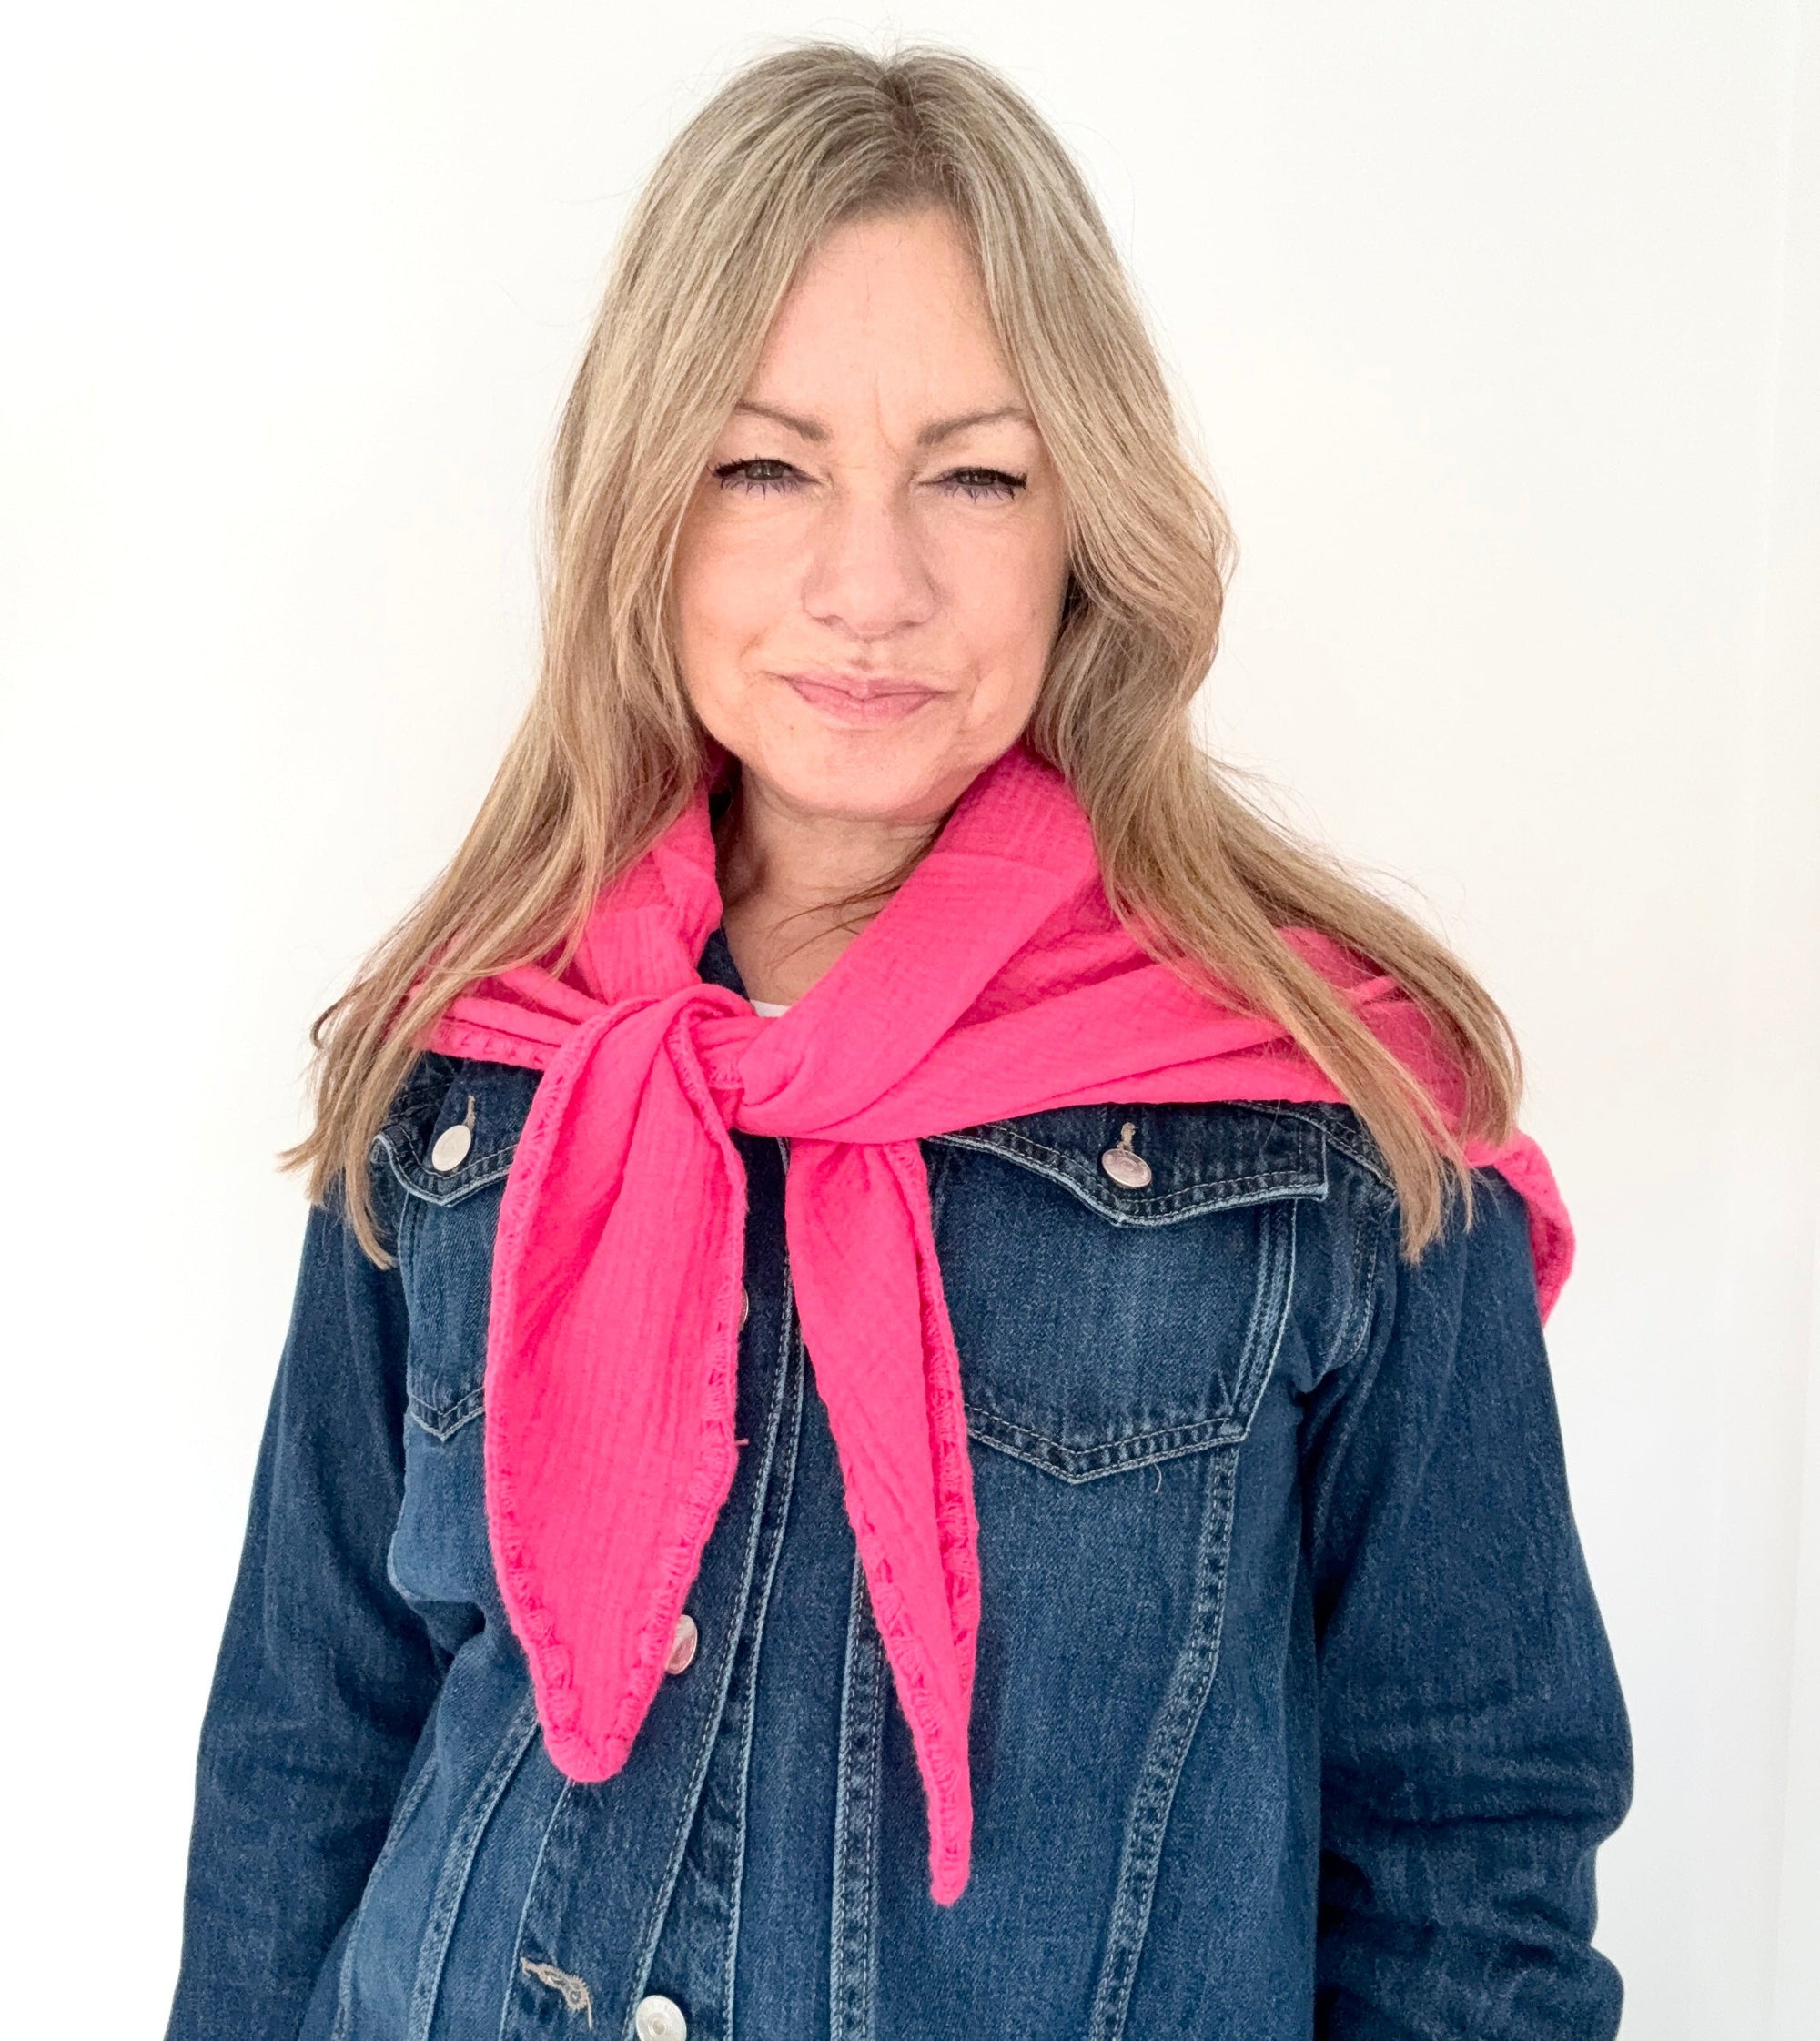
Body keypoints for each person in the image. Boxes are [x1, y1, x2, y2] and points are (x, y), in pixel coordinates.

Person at [165, 38, 1632, 2041]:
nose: (871, 585)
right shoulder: (477, 1059)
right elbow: (304, 1745)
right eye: (764, 467)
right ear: (644, 511)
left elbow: (1470, 1862)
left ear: (1079, 522)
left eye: (975, 473)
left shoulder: (1328, 1119)